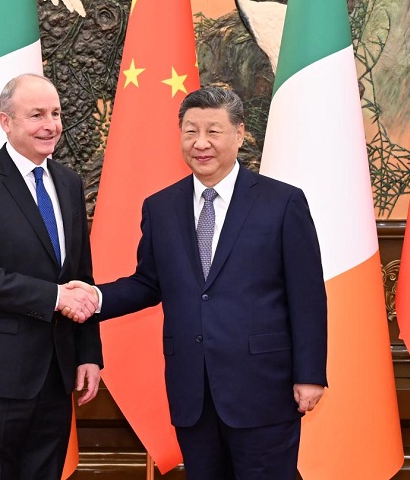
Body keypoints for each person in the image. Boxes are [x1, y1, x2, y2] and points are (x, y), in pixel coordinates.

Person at [66, 87, 327, 479]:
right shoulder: (161, 207)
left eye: (213, 131)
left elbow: (307, 297)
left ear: (239, 134)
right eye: (190, 132)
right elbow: (148, 283)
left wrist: (310, 374)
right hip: (193, 392)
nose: (200, 143)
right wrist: (96, 298)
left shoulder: (282, 202)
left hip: (263, 389)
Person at [0, 73, 102, 480]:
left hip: (56, 371)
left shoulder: (68, 183)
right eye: (37, 115)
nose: (51, 125)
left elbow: (81, 276)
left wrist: (88, 353)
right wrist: (55, 297)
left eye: (56, 113)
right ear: (6, 121)